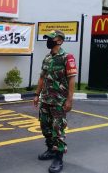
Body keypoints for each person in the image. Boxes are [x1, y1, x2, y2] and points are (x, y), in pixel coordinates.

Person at [33, 30, 77, 173]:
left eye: (51, 38)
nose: (49, 41)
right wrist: (36, 94)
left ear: (60, 41)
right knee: (45, 126)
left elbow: (71, 80)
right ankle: (50, 149)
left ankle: (58, 157)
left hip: (59, 101)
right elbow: (42, 77)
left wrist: (69, 100)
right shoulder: (47, 58)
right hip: (45, 99)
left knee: (57, 129)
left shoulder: (67, 58)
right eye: (48, 38)